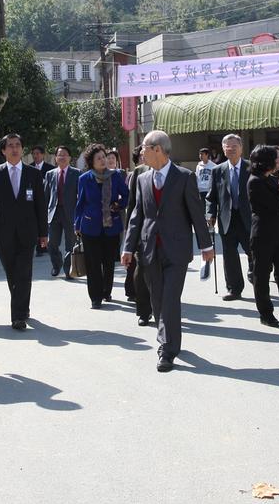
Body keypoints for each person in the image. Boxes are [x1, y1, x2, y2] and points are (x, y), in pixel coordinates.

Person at [121, 130, 214, 372]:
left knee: (170, 299)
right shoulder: (141, 179)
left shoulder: (184, 177)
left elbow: (196, 212)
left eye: (144, 148)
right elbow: (136, 216)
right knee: (158, 300)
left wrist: (206, 245)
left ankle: (167, 349)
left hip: (177, 250)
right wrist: (128, 247)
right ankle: (171, 338)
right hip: (149, 248)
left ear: (157, 149)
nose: (141, 153)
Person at [0, 133, 48, 329]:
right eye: (10, 145)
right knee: (12, 273)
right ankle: (22, 306)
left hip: (28, 232)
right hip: (4, 233)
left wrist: (43, 233)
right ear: (3, 150)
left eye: (18, 145)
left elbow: (40, 205)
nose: (14, 148)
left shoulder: (33, 174)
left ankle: (17, 317)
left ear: (22, 149)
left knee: (24, 272)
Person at [247, 145, 279, 328]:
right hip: (263, 233)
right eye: (274, 158)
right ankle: (266, 313)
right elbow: (275, 204)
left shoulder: (271, 178)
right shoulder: (255, 181)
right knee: (261, 275)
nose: (278, 161)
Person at [75, 144, 130, 308]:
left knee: (108, 262)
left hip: (110, 225)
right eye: (98, 158)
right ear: (91, 162)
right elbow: (81, 203)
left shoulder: (115, 176)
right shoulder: (84, 179)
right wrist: (77, 224)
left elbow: (126, 195)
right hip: (90, 225)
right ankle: (95, 297)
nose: (102, 160)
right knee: (92, 263)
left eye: (104, 157)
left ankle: (107, 291)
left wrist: (118, 205)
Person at [206, 133, 254, 301]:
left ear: (241, 148)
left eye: (234, 146)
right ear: (223, 149)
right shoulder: (218, 170)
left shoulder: (251, 168)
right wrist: (210, 213)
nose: (231, 149)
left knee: (253, 252)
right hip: (227, 218)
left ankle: (257, 277)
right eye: (227, 146)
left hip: (248, 218)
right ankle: (234, 288)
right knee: (229, 255)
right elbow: (211, 197)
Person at [123, 147, 154, 324]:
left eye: (147, 152)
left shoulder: (176, 174)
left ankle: (161, 308)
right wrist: (129, 236)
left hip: (166, 234)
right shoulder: (139, 173)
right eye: (142, 153)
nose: (143, 156)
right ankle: (143, 311)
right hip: (142, 232)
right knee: (140, 272)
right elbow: (132, 205)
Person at [44, 145, 81, 279]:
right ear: (55, 158)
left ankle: (68, 269)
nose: (62, 157)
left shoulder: (76, 173)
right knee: (52, 242)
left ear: (69, 158)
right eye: (59, 155)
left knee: (70, 243)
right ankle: (56, 264)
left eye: (65, 154)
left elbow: (81, 196)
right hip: (54, 213)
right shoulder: (50, 174)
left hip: (70, 212)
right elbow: (46, 195)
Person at [31, 145, 51, 255]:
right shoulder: (29, 168)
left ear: (43, 155)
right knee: (35, 224)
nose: (36, 156)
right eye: (34, 153)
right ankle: (38, 246)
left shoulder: (50, 168)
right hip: (32, 201)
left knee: (44, 224)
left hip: (46, 201)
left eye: (38, 153)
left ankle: (44, 246)